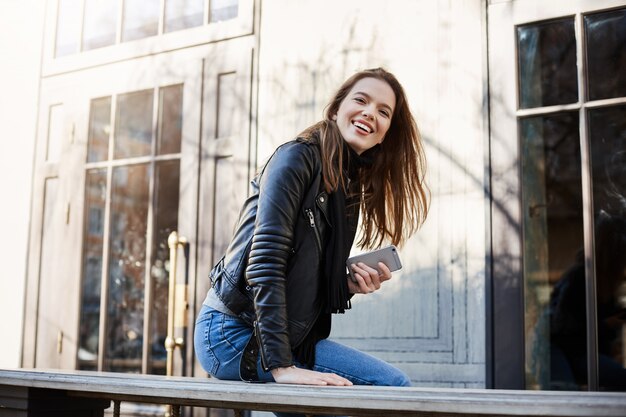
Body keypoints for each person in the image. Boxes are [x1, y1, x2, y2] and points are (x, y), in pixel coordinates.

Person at [194, 68, 429, 396]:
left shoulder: (345, 186)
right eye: (361, 100)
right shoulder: (297, 157)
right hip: (233, 333)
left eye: (383, 111)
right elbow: (264, 261)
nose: (369, 113)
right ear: (336, 109)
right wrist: (282, 366)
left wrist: (347, 286)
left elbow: (304, 283)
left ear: (385, 133)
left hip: (281, 337)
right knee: (392, 385)